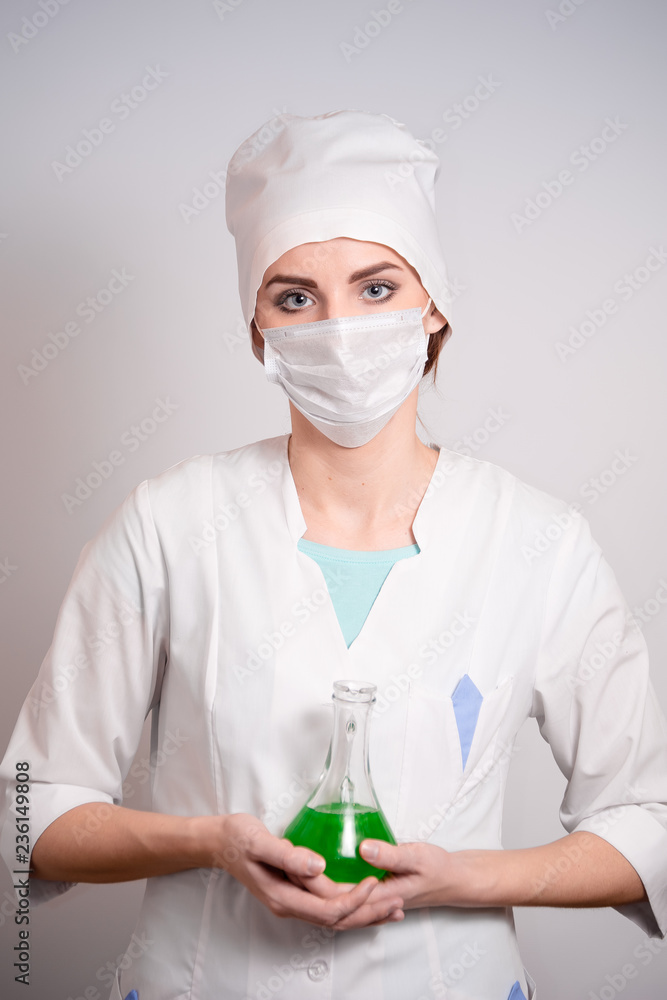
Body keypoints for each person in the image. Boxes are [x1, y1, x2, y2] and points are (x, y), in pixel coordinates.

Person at [1, 109, 666, 1000]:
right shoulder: (168, 524)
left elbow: (648, 823)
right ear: (256, 330)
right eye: (294, 297)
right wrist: (208, 842)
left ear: (434, 305)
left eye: (376, 287)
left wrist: (462, 877)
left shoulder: (538, 543)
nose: (339, 328)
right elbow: (29, 813)